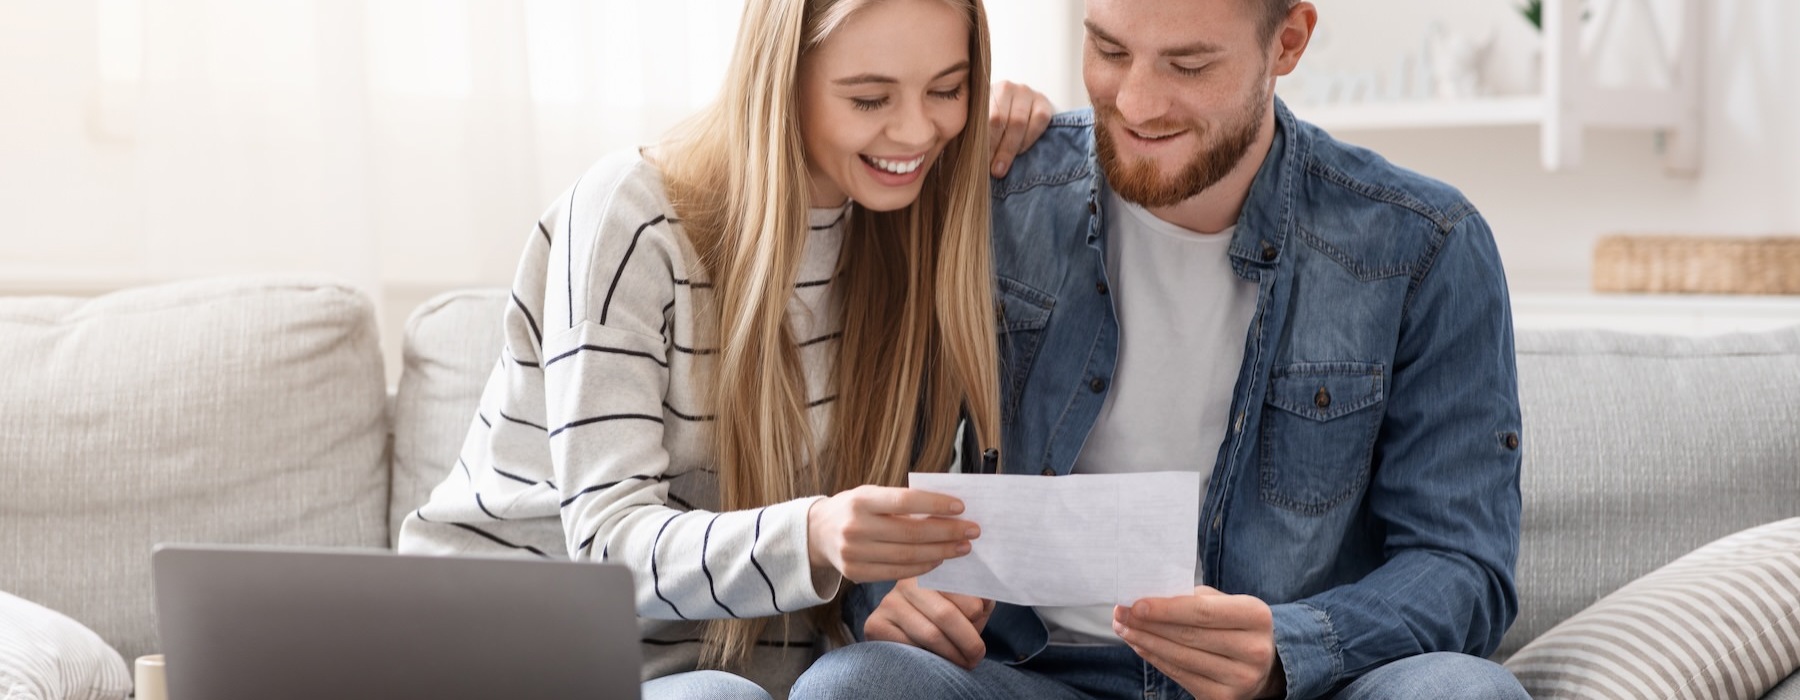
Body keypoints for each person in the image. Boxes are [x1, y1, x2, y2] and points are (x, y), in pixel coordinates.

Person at [791, 1, 1528, 699]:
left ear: (1289, 42)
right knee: (851, 686)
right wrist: (894, 598)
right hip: (1030, 674)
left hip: (1302, 684)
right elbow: (866, 477)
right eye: (1109, 50)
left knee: (1468, 692)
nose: (1137, 103)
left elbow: (1461, 567)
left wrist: (1289, 647)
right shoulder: (995, 196)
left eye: (1189, 65)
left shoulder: (1424, 245)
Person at [396, 1, 1052, 698]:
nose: (919, 129)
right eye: (869, 97)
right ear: (780, 79)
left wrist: (896, 594)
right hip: (517, 648)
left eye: (947, 89)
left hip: (733, 676)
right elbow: (608, 549)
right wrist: (816, 535)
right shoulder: (633, 217)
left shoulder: (915, 238)